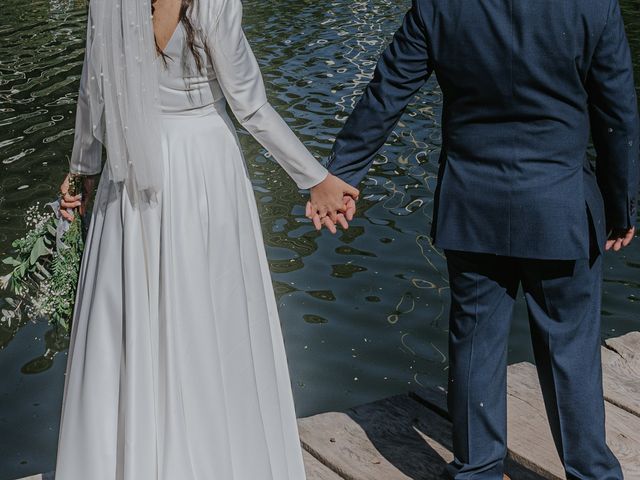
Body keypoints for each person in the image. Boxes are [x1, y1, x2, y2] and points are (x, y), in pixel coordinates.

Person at [308, 0, 639, 478]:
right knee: (570, 350)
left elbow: (387, 93)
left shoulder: (439, 7)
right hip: (560, 208)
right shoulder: (591, 6)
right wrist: (621, 203)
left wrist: (342, 173)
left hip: (473, 206)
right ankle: (590, 472)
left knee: (475, 342)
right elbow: (617, 114)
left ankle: (478, 469)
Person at [55, 0, 357, 478]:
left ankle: (130, 459)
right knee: (210, 315)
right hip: (202, 171)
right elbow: (250, 105)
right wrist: (314, 178)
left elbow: (95, 91)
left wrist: (82, 170)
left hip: (129, 170)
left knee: (131, 319)